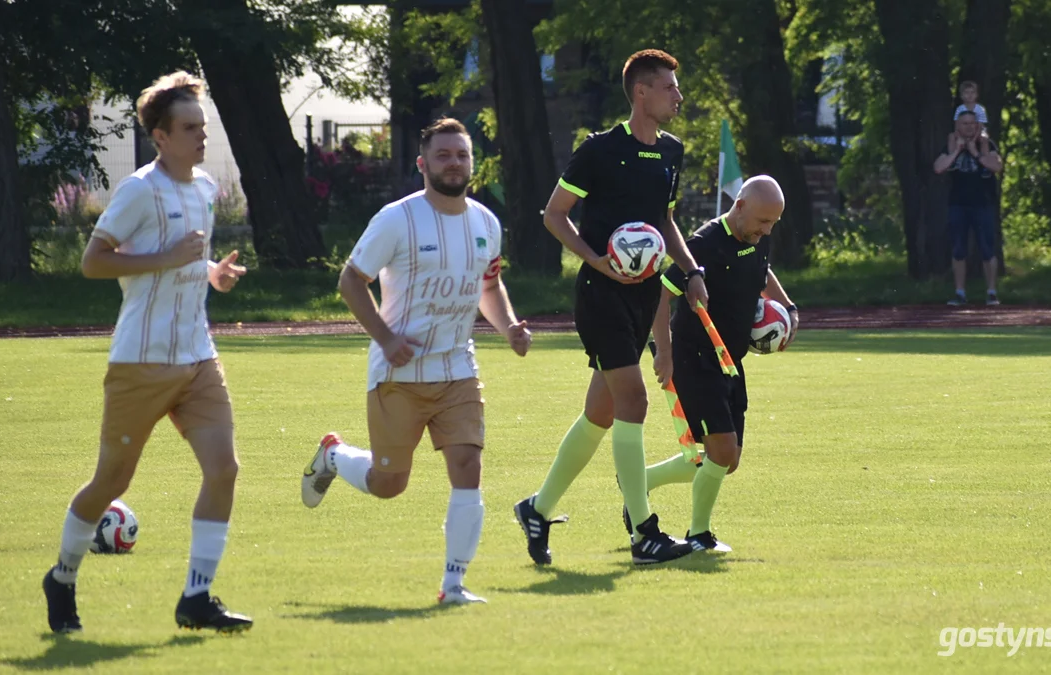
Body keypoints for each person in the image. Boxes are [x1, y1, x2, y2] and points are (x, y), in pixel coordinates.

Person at [42, 71, 252, 634]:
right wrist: (166, 259)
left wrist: (213, 274)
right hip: (140, 361)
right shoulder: (138, 190)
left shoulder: (206, 189)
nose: (200, 137)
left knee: (224, 468)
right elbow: (94, 261)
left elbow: (186, 260)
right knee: (111, 482)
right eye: (189, 128)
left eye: (202, 128)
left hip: (198, 357)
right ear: (159, 136)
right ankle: (61, 577)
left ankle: (197, 597)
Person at [300, 117, 531, 606]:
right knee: (389, 485)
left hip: (457, 369)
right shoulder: (396, 219)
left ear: (473, 162)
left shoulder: (487, 223)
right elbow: (350, 280)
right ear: (423, 164)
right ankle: (334, 455)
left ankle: (453, 585)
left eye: (462, 155)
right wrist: (384, 338)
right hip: (398, 374)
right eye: (444, 155)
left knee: (467, 465)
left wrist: (508, 326)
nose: (454, 163)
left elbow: (488, 286)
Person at [513, 48, 709, 566]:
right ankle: (644, 533)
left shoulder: (671, 151)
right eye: (669, 87)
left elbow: (665, 224)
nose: (678, 96)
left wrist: (690, 273)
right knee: (635, 403)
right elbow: (555, 215)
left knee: (599, 414)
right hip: (601, 296)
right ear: (641, 92)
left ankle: (537, 508)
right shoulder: (599, 150)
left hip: (645, 295)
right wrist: (597, 261)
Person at [635, 176, 797, 552]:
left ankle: (638, 483)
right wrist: (664, 352)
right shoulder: (704, 245)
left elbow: (762, 272)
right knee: (721, 452)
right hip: (694, 359)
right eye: (762, 222)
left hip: (730, 361)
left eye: (773, 223)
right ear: (739, 206)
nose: (766, 230)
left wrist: (788, 308)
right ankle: (699, 535)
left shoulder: (757, 237)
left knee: (727, 459)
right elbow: (662, 291)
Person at [934, 110, 1004, 306]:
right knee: (958, 249)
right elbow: (939, 167)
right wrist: (957, 151)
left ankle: (991, 292)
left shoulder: (987, 145)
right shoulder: (950, 146)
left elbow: (996, 166)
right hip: (958, 204)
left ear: (977, 125)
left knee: (988, 249)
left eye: (972, 123)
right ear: (958, 126)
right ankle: (960, 292)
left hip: (983, 204)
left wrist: (975, 152)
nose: (969, 127)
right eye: (964, 123)